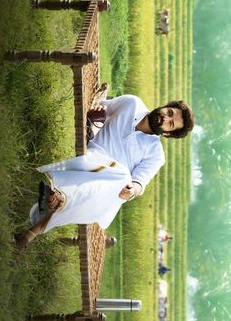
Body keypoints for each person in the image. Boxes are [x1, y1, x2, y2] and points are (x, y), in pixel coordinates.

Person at [16, 95, 194, 250]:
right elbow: (101, 105)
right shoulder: (132, 103)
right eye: (169, 112)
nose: (164, 118)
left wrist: (132, 190)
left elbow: (140, 183)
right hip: (91, 157)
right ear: (166, 106)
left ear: (169, 134)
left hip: (108, 192)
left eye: (170, 124)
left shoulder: (156, 155)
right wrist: (97, 110)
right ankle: (38, 226)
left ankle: (57, 200)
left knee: (123, 177)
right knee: (121, 175)